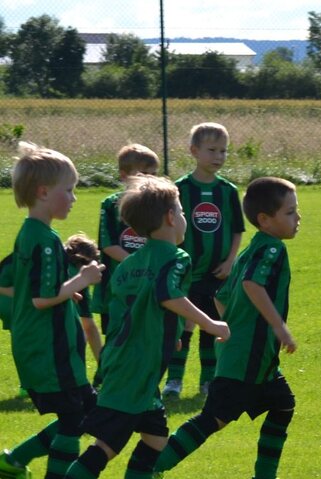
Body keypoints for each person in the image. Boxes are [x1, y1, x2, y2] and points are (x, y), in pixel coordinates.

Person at [28, 175, 229, 479]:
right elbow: (167, 295)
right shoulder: (177, 258)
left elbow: (126, 311)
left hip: (126, 362)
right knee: (106, 445)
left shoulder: (128, 265)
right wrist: (210, 323)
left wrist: (167, 333)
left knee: (155, 437)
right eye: (182, 210)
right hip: (137, 370)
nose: (185, 218)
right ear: (170, 218)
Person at [150, 177, 300, 479]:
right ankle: (150, 468)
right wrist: (278, 326)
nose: (297, 218)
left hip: (252, 356)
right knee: (213, 419)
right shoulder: (272, 248)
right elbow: (251, 285)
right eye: (290, 213)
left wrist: (233, 327)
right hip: (248, 357)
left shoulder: (251, 249)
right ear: (265, 219)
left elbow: (222, 297)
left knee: (283, 405)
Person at [0, 143, 102, 479]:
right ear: (44, 192)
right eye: (69, 190)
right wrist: (82, 280)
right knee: (75, 419)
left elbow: (36, 289)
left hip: (50, 345)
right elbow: (42, 299)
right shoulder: (43, 241)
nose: (74, 198)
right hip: (47, 348)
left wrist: (67, 291)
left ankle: (14, 462)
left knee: (86, 412)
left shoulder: (37, 235)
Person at [165, 122, 244, 399]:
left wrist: (230, 261)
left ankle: (208, 381)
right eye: (212, 150)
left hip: (217, 273)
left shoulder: (228, 191)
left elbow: (237, 230)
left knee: (211, 325)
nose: (218, 156)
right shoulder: (180, 189)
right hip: (186, 272)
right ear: (194, 151)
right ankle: (174, 380)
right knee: (183, 324)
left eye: (223, 151)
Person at [97, 143, 160, 338]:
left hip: (147, 284)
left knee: (145, 337)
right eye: (143, 174)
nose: (150, 180)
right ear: (124, 176)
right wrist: (138, 264)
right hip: (116, 285)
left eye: (154, 174)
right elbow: (108, 245)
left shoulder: (157, 207)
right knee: (115, 339)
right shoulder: (110, 205)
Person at [62, 233, 105, 366]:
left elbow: (89, 326)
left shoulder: (80, 280)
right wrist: (103, 365)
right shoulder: (77, 276)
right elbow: (89, 328)